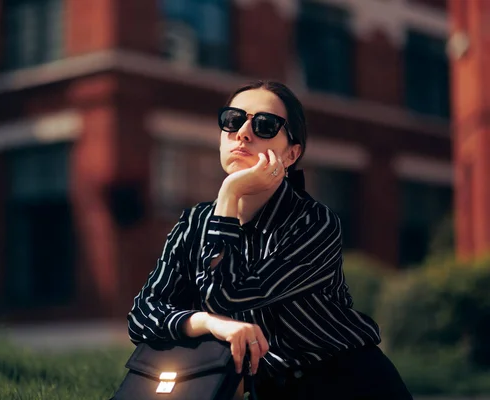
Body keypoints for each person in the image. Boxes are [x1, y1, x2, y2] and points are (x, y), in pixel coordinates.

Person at [127, 80, 412, 399]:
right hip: (264, 389)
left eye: (264, 125)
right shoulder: (193, 223)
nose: (243, 133)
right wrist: (207, 322)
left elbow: (228, 296)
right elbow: (142, 315)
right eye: (233, 120)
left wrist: (230, 192)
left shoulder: (313, 222)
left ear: (291, 154)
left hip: (345, 382)